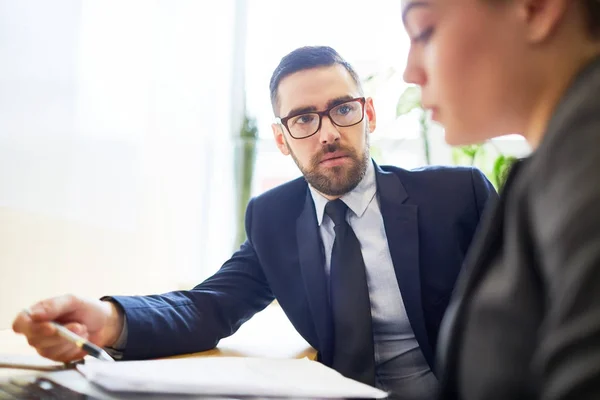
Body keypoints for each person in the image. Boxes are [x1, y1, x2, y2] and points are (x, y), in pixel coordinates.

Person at [13, 46, 496, 400]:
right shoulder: (273, 217)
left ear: (368, 114)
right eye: (303, 119)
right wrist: (108, 322)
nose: (327, 132)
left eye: (343, 110)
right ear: (282, 138)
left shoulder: (458, 196)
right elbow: (208, 306)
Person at [401, 0, 600, 399]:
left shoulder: (587, 149)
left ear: (537, 8)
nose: (410, 71)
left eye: (424, 31)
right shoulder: (560, 157)